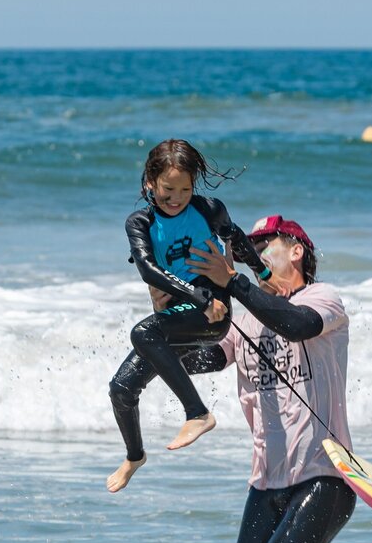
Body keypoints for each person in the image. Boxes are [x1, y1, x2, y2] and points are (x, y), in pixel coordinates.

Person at [184, 215, 357, 543]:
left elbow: (296, 325)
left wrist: (234, 281)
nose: (254, 255)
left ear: (297, 252)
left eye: (263, 247)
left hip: (324, 475)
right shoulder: (243, 320)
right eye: (250, 250)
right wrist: (162, 341)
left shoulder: (323, 298)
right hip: (265, 484)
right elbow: (204, 359)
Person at [105, 140, 272, 494]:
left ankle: (197, 413)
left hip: (213, 309)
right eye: (168, 189)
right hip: (183, 310)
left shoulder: (208, 209)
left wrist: (263, 274)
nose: (177, 197)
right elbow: (149, 270)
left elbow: (236, 237)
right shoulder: (140, 222)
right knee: (121, 388)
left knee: (143, 333)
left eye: (185, 189)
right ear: (150, 182)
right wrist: (191, 296)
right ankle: (134, 456)